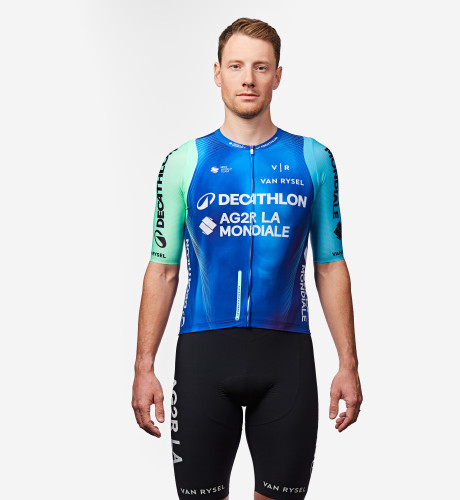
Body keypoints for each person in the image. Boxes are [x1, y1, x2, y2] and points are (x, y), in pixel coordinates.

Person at [132, 17, 362, 500]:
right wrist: (143, 366)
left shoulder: (313, 159)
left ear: (278, 75)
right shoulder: (184, 162)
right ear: (217, 73)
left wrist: (348, 363)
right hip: (203, 358)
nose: (248, 78)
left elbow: (330, 264)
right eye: (236, 66)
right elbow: (163, 269)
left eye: (261, 67)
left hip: (287, 360)